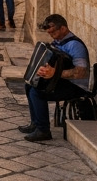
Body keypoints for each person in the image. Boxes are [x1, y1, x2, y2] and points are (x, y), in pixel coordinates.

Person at [20, 14, 91, 142]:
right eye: (49, 33)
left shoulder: (75, 45)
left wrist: (55, 74)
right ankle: (35, 123)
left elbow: (81, 72)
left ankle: (43, 130)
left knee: (38, 92)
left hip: (76, 86)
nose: (51, 36)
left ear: (63, 29)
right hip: (62, 82)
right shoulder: (57, 42)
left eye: (53, 32)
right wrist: (43, 70)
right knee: (30, 85)